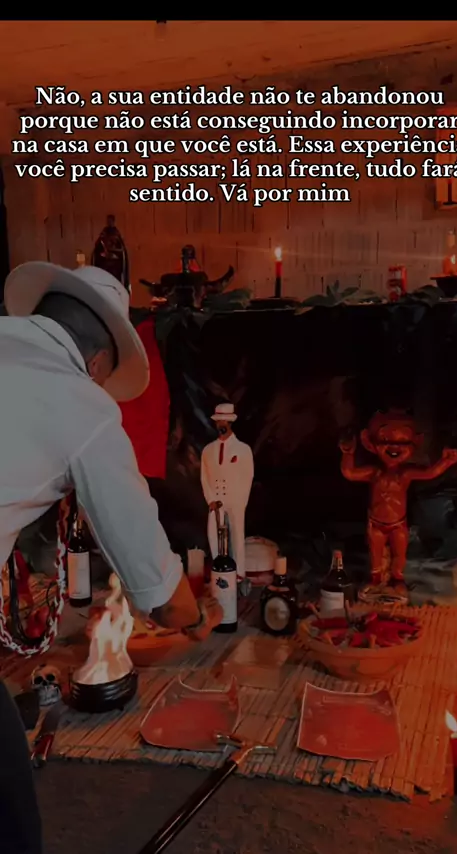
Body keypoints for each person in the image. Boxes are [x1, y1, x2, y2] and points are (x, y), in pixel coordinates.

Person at [0, 260, 223, 854]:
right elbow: (157, 589)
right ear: (98, 363)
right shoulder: (81, 403)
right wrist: (192, 615)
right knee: (9, 815)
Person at [201, 403, 254, 579]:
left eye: (223, 421)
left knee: (237, 535)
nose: (220, 424)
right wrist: (210, 499)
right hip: (215, 500)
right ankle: (219, 569)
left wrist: (241, 502)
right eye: (218, 421)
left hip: (235, 500)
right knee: (213, 534)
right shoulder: (208, 450)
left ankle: (238, 573)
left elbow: (247, 476)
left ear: (230, 422)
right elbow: (204, 477)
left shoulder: (243, 449)